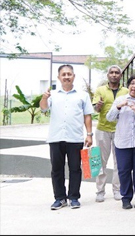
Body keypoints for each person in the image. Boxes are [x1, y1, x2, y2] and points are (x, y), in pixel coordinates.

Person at [40, 64, 94, 210]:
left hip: (75, 138)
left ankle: (74, 197)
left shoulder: (82, 95)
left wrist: (89, 134)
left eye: (69, 74)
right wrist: (44, 98)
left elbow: (87, 115)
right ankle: (59, 198)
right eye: (63, 74)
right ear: (59, 77)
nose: (66, 77)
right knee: (57, 169)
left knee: (75, 168)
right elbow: (43, 108)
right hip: (56, 137)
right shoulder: (53, 94)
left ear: (73, 76)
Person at [105, 75, 135, 210]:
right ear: (128, 85)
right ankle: (126, 198)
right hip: (122, 141)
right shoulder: (120, 99)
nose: (134, 86)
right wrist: (118, 106)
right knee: (123, 171)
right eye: (132, 83)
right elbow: (109, 118)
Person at [92, 65, 128, 202]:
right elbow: (96, 109)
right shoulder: (100, 90)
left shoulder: (125, 91)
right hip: (103, 129)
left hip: (120, 130)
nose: (114, 75)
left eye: (116, 73)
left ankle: (117, 190)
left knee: (119, 162)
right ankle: (100, 191)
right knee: (101, 161)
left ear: (120, 75)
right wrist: (99, 106)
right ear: (108, 75)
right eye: (111, 72)